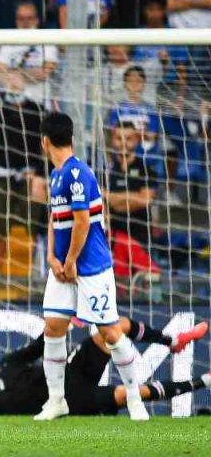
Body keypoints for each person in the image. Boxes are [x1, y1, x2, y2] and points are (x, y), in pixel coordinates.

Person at [33, 112, 148, 421]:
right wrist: (52, 258)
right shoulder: (57, 175)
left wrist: (70, 260)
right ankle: (57, 401)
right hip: (62, 268)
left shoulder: (78, 173)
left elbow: (83, 222)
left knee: (110, 332)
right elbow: (56, 218)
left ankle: (135, 398)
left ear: (45, 141)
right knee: (53, 328)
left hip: (91, 267)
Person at [0, 316, 210, 416]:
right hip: (72, 401)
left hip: (70, 369)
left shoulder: (7, 364)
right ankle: (204, 382)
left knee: (115, 326)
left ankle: (172, 341)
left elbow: (38, 346)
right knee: (132, 394)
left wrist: (61, 322)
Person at [0, 70, 47, 273]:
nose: (13, 80)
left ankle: (40, 269)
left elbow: (43, 144)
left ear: (25, 80)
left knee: (37, 221)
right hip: (3, 174)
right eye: (10, 76)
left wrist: (39, 173)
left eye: (18, 76)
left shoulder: (36, 108)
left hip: (30, 174)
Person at [105, 122, 160, 279]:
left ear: (136, 140)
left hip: (139, 235)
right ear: (113, 140)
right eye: (118, 138)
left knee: (145, 282)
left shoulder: (147, 170)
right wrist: (133, 196)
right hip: (113, 236)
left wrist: (112, 196)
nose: (123, 142)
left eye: (128, 138)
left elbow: (145, 201)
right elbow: (103, 200)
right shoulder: (106, 171)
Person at [0, 0, 58, 104]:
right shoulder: (8, 42)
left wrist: (19, 75)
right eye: (21, 18)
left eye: (29, 18)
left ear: (37, 20)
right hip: (11, 103)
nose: (25, 22)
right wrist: (18, 78)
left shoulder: (47, 41)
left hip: (37, 103)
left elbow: (46, 72)